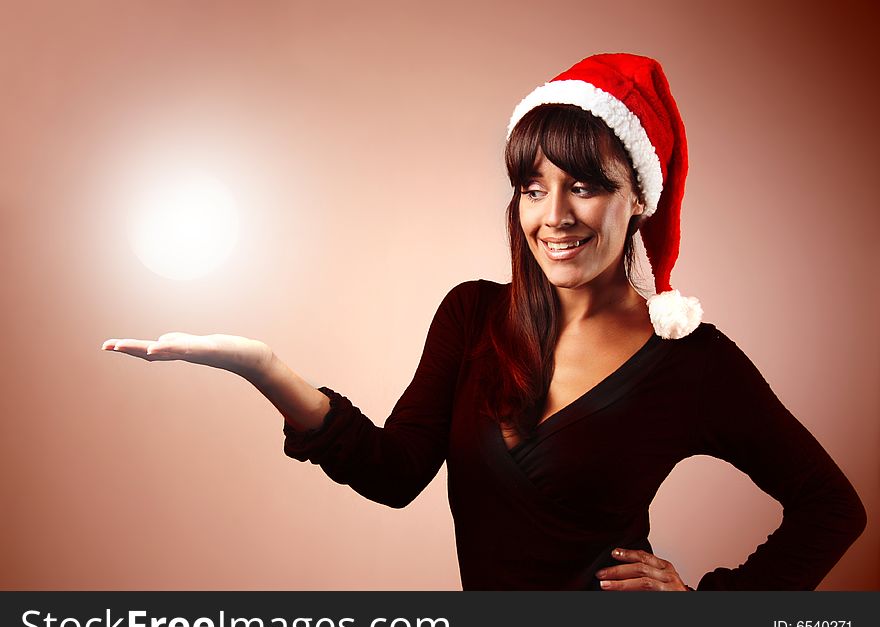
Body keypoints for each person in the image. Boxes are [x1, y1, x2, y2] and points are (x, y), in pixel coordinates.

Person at [103, 53, 866, 590]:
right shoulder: (471, 314)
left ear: (639, 197)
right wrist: (263, 366)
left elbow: (832, 508)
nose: (555, 216)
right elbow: (394, 471)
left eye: (586, 186)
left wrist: (708, 613)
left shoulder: (692, 360)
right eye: (533, 188)